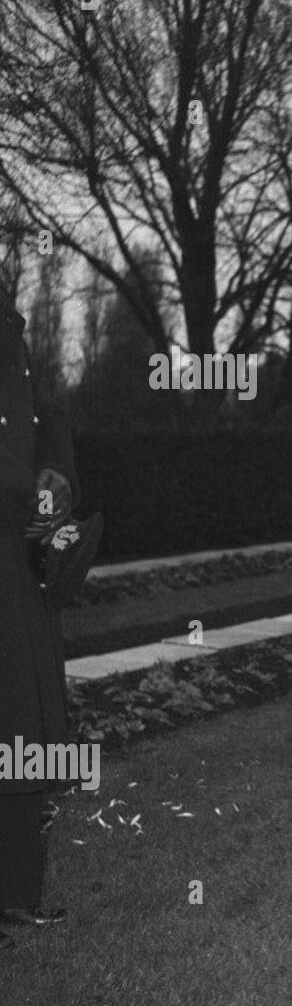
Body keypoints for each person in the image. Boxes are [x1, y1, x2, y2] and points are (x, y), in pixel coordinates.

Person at [0, 291, 78, 948]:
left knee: (22, 727)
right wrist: (26, 488)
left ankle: (19, 895)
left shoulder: (13, 328)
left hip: (18, 565)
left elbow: (48, 423)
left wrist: (55, 487)